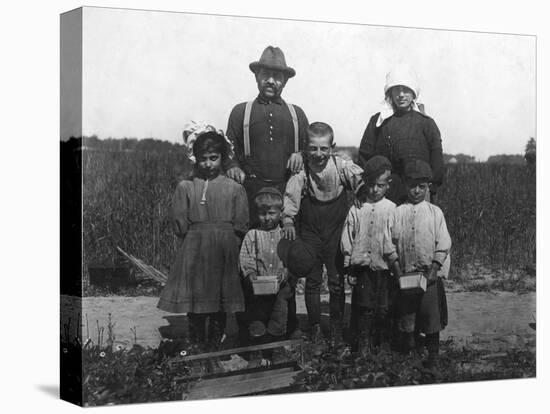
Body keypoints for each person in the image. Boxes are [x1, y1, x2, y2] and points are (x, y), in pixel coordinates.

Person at [157, 130, 249, 349]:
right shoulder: (186, 187)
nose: (208, 164)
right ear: (195, 159)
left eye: (213, 158)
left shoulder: (235, 188)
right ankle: (197, 345)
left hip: (224, 250)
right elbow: (180, 224)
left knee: (220, 300)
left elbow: (241, 224)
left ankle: (214, 346)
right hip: (195, 251)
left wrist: (230, 248)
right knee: (195, 298)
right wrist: (195, 239)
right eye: (203, 159)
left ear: (223, 157)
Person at [282, 122, 363, 347]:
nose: (319, 154)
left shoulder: (340, 165)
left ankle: (336, 327)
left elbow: (360, 180)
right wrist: (288, 219)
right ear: (306, 148)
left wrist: (359, 192)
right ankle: (316, 326)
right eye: (314, 149)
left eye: (324, 149)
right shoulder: (302, 171)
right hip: (311, 231)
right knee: (313, 281)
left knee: (337, 281)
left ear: (332, 147)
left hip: (336, 230)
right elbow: (291, 197)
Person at [225, 45, 309, 225]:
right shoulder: (240, 112)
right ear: (257, 77)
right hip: (250, 193)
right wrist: (233, 166)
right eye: (265, 75)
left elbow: (310, 150)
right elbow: (228, 151)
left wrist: (301, 154)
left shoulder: (297, 114)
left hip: (287, 191)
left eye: (277, 77)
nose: (271, 81)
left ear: (285, 81)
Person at [389, 159, 451, 368]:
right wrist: (396, 270)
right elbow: (390, 244)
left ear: (428, 187)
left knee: (431, 316)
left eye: (421, 186)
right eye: (411, 185)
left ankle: (433, 353)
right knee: (408, 316)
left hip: (429, 275)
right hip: (406, 275)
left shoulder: (435, 213)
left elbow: (443, 243)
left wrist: (435, 268)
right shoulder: (397, 212)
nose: (416, 191)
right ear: (404, 184)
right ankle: (411, 351)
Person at [358, 66, 444, 204]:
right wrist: (364, 189)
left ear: (414, 92)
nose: (401, 94)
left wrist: (431, 187)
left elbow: (437, 160)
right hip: (384, 194)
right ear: (390, 93)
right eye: (396, 89)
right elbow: (364, 157)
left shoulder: (426, 123)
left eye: (406, 89)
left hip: (418, 193)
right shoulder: (378, 121)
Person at [340, 156, 396, 355]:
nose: (374, 190)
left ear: (388, 185)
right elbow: (348, 236)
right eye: (371, 185)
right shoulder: (357, 209)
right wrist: (350, 265)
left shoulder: (391, 209)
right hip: (362, 268)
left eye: (380, 186)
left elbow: (395, 238)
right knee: (364, 307)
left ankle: (383, 344)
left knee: (384, 307)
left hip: (384, 268)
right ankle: (363, 344)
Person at [239, 187, 295, 342]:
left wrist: (286, 271)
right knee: (257, 319)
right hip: (258, 287)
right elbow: (246, 258)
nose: (267, 218)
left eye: (271, 213)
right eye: (262, 214)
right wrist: (250, 273)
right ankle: (257, 350)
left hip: (280, 287)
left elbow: (292, 259)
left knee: (279, 317)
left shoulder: (285, 235)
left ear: (280, 213)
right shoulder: (252, 235)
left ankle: (276, 349)